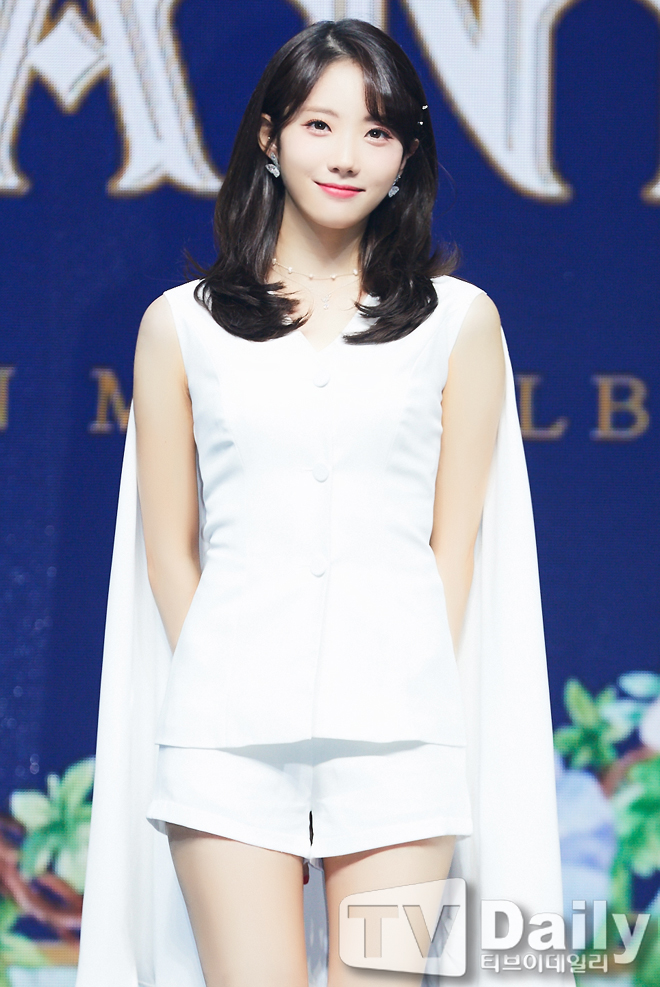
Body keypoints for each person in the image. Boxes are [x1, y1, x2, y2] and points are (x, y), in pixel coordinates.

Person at [75, 19, 574, 987]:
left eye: (378, 132)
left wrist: (410, 684)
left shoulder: (458, 322)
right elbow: (167, 546)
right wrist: (225, 674)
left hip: (400, 736)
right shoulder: (181, 326)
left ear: (406, 156)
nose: (347, 156)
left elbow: (457, 544)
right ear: (269, 137)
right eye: (319, 124)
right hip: (226, 736)